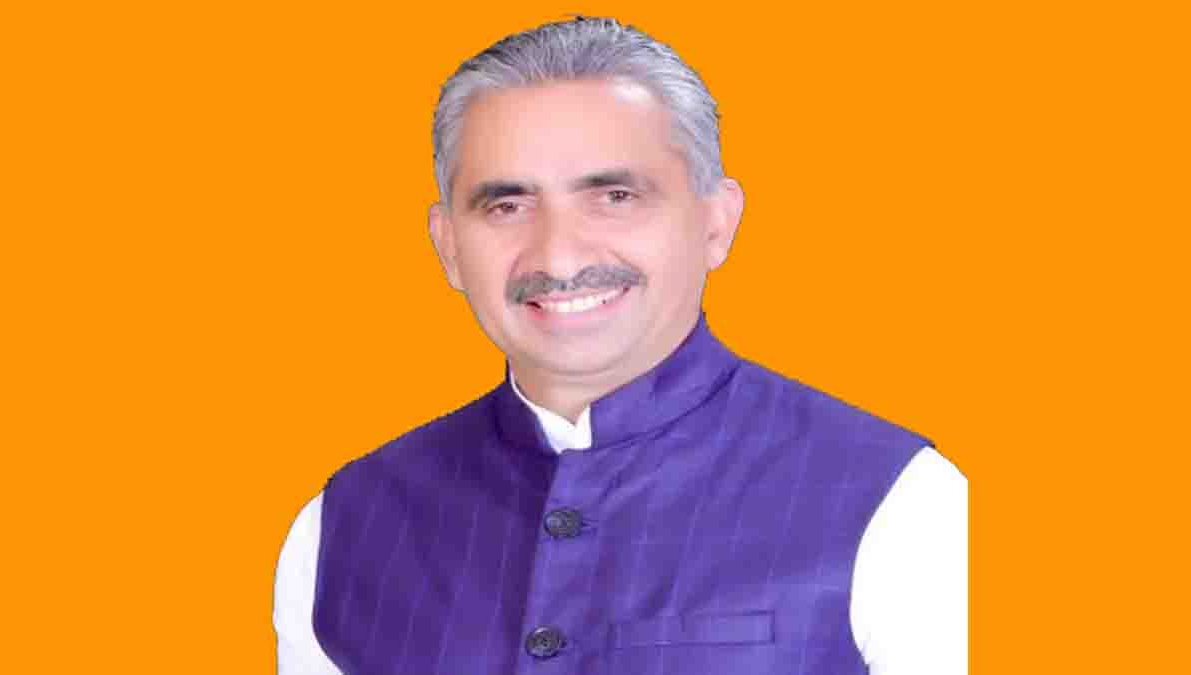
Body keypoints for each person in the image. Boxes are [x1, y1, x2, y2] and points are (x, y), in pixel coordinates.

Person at [273, 15, 967, 675]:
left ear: (717, 222)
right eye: (507, 205)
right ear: (448, 245)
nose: (559, 254)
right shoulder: (344, 525)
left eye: (614, 197)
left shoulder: (904, 504)